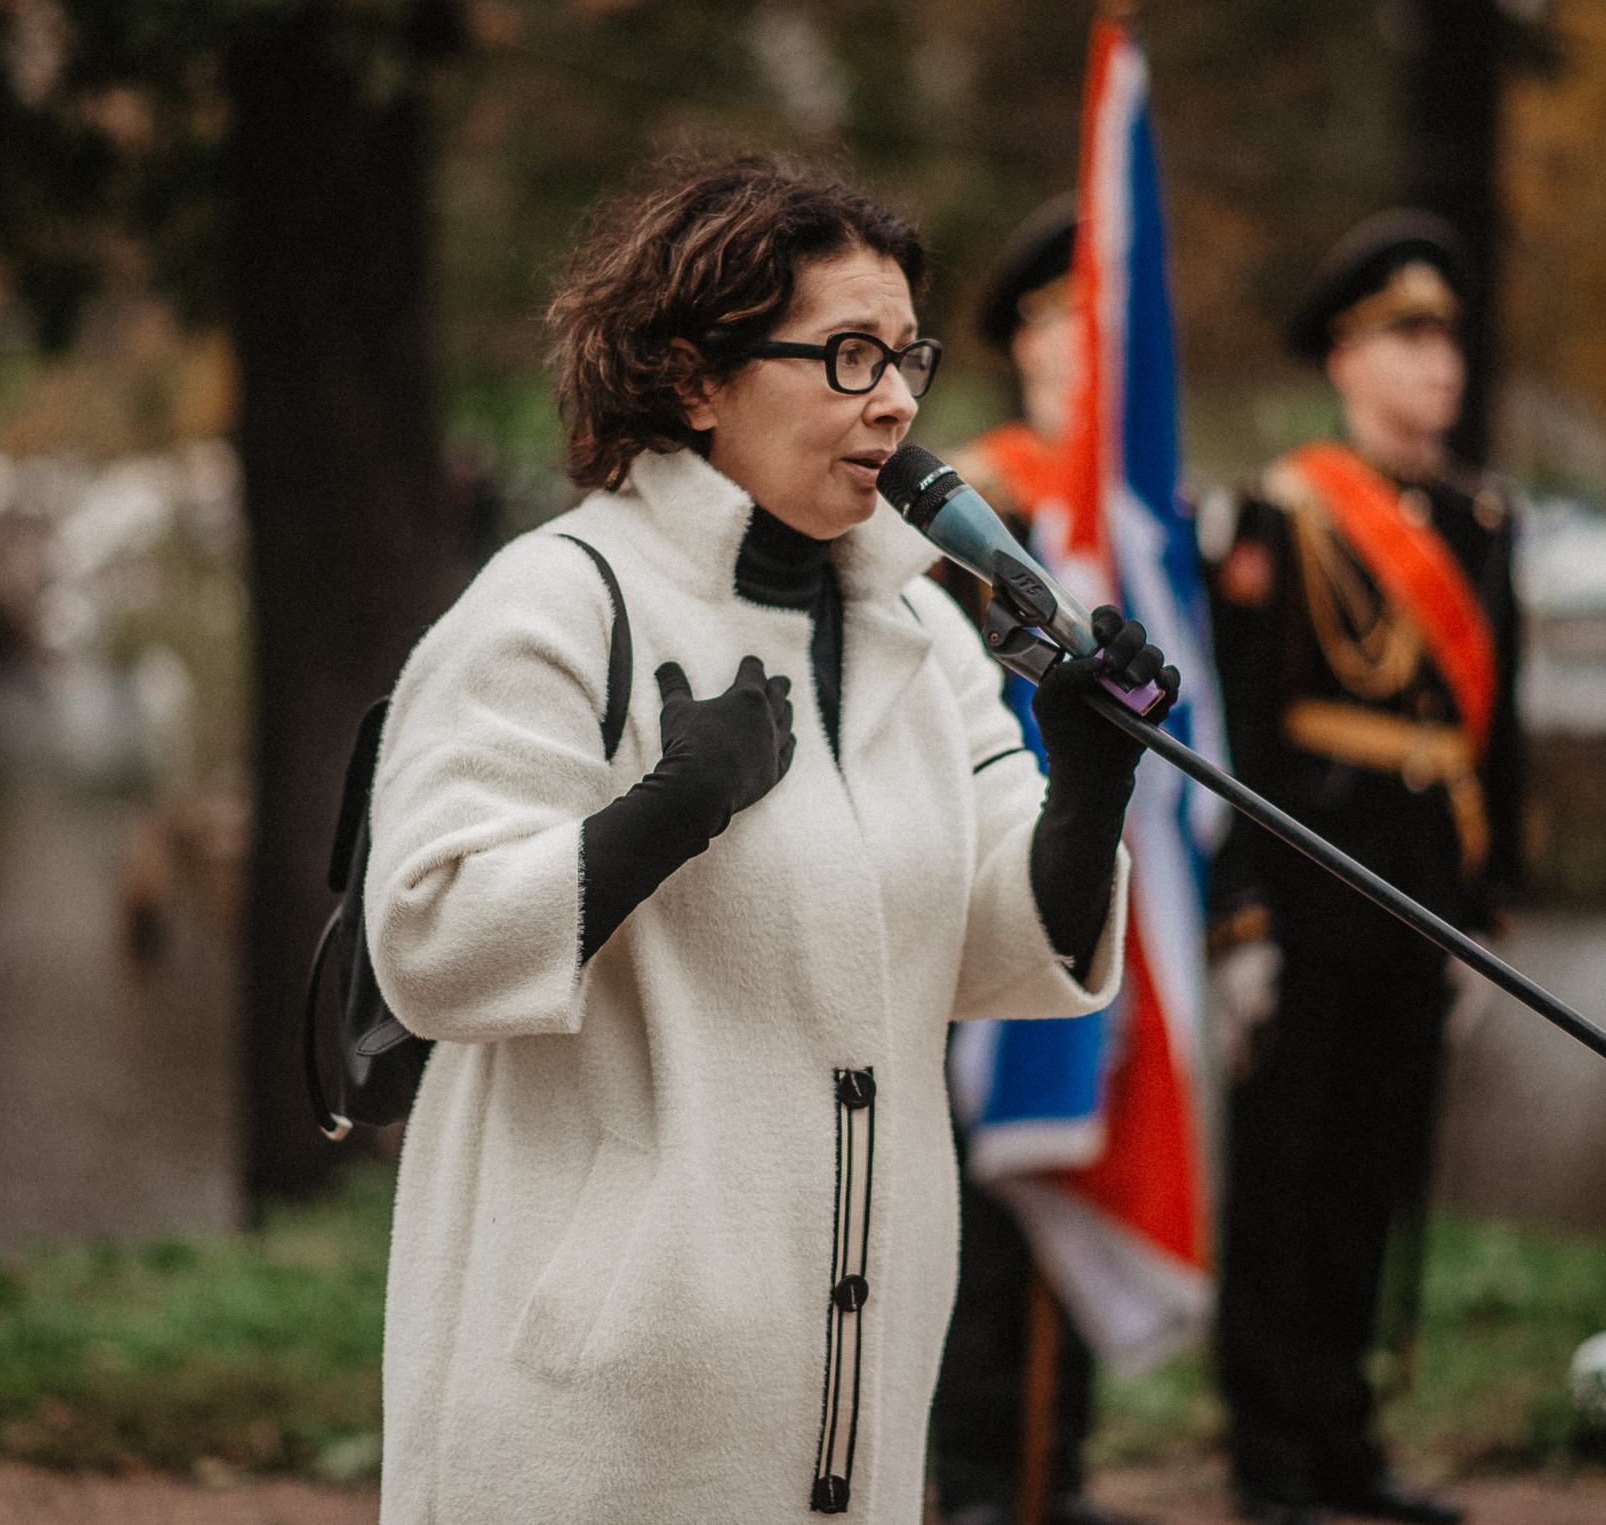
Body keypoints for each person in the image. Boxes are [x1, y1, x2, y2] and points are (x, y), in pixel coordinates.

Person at [362, 156, 1181, 1524]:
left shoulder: (922, 630)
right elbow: (429, 946)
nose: (901, 399)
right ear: (695, 377)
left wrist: (1088, 788)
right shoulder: (558, 603)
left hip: (849, 1396)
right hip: (598, 1421)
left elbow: (986, 946)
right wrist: (665, 814)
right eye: (849, 355)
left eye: (906, 354)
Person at [1201, 211, 1522, 1525]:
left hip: (1425, 891)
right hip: (1312, 884)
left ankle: (1347, 1442)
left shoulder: (1482, 517)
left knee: (1375, 1175)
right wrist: (1245, 921)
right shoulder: (1280, 513)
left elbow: (1507, 734)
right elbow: (1240, 731)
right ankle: (1268, 1453)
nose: (1438, 364)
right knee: (1282, 1178)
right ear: (1345, 359)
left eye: (1447, 336)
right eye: (1408, 336)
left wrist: (1485, 914)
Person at [929, 195, 1133, 1525]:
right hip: (984, 864)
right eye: (1062, 321)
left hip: (1095, 874)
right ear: (1021, 342)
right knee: (982, 1205)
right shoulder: (976, 504)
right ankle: (982, 1476)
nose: (1085, 344)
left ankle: (1062, 1467)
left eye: (1100, 318)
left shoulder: (1135, 505)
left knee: (1091, 1162)